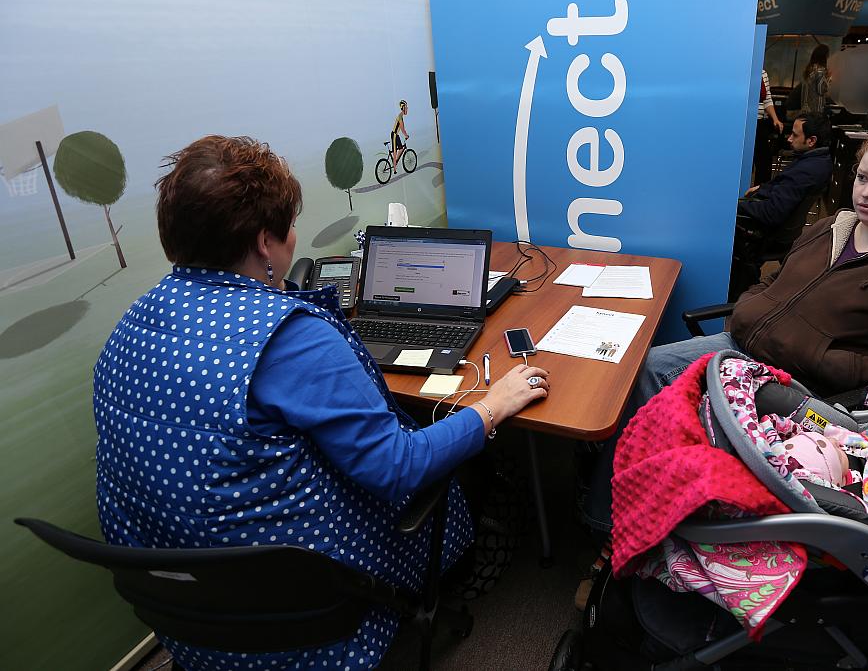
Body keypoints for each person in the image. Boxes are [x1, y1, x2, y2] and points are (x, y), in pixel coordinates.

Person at [92, 135, 549, 669]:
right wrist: (492, 406)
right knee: (475, 463)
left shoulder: (134, 322)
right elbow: (398, 467)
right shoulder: (293, 339)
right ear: (266, 243)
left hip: (182, 605)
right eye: (288, 227)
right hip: (301, 607)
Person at [581, 126, 868, 535]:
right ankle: (612, 487)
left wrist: (816, 355)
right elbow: (774, 280)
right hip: (742, 345)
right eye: (862, 177)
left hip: (798, 384)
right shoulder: (831, 228)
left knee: (672, 398)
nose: (867, 192)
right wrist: (750, 305)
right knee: (646, 367)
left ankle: (604, 519)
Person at [730, 114, 833, 298]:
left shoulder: (804, 171)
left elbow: (772, 213)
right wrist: (763, 187)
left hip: (769, 234)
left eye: (794, 135)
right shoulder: (819, 161)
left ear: (811, 141)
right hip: (782, 231)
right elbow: (783, 188)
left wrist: (732, 207)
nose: (789, 138)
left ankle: (737, 291)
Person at [753, 69, 786, 186]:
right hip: (744, 122)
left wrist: (775, 119)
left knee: (764, 162)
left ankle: (758, 194)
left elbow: (767, 99)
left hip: (759, 122)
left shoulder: (762, 73)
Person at [800, 44, 831, 118]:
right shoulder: (820, 70)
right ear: (824, 56)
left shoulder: (809, 68)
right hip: (816, 109)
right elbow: (821, 90)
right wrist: (829, 80)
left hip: (806, 108)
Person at [390, 98, 410, 173]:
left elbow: (402, 128)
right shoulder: (400, 117)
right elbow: (402, 128)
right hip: (394, 135)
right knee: (395, 152)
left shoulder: (401, 116)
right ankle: (394, 169)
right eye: (406, 107)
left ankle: (395, 161)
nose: (407, 109)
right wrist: (406, 135)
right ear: (403, 108)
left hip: (396, 135)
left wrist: (405, 134)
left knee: (401, 148)